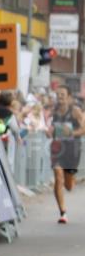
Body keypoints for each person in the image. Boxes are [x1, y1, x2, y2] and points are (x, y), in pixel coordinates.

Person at [49, 85, 84, 224]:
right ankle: (63, 212)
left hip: (72, 149)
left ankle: (71, 179)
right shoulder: (54, 111)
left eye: (62, 94)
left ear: (69, 97)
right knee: (58, 176)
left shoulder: (75, 111)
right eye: (58, 94)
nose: (60, 97)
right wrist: (49, 132)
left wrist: (71, 133)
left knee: (68, 185)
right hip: (57, 149)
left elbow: (83, 129)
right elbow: (51, 129)